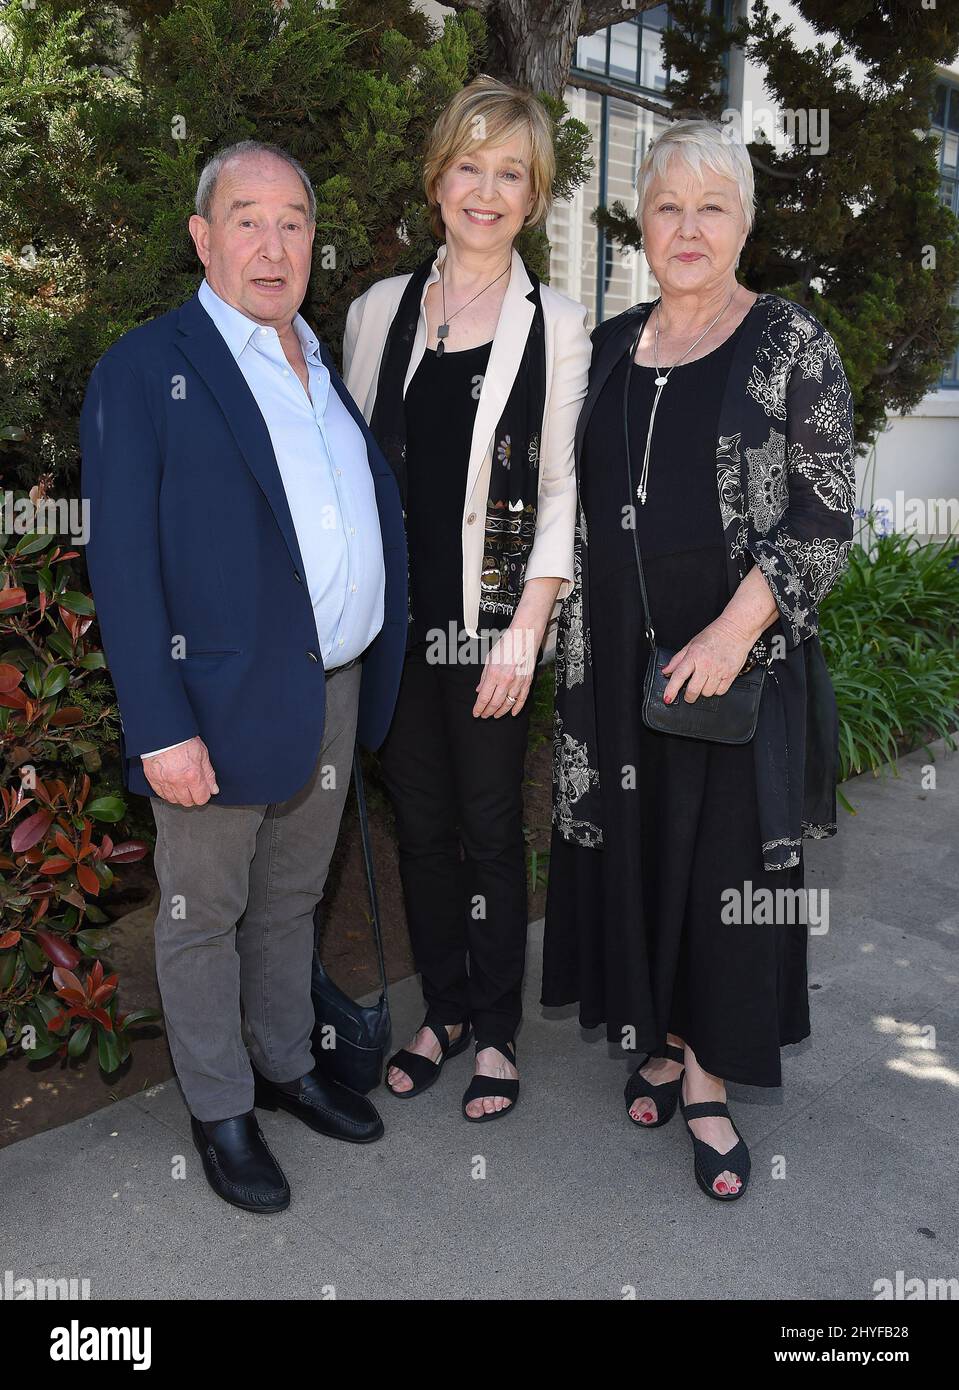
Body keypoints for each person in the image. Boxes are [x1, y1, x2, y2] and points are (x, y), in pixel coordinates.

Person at [80, 140, 407, 1212]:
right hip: (211, 707)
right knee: (201, 910)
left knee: (290, 899)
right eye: (247, 218)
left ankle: (285, 1064)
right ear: (202, 237)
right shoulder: (145, 369)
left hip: (333, 684)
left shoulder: (320, 363)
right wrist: (159, 726)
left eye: (293, 221)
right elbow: (122, 568)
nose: (272, 244)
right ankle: (219, 1109)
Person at [543, 120, 855, 1199]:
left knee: (722, 871)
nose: (685, 227)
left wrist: (732, 630)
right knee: (639, 846)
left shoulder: (786, 342)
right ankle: (662, 1035)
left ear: (743, 222)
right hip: (616, 658)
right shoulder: (614, 344)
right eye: (666, 205)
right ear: (640, 218)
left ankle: (710, 1078)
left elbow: (823, 516)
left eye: (709, 207)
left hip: (734, 663)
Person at [344, 76, 590, 1121]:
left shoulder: (560, 324)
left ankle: (495, 1030)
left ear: (531, 199)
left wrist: (525, 630)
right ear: (437, 176)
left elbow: (563, 488)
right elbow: (349, 470)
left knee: (491, 826)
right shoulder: (375, 311)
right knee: (424, 823)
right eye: (468, 166)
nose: (483, 191)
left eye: (509, 174)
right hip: (397, 629)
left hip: (491, 625)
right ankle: (439, 1010)